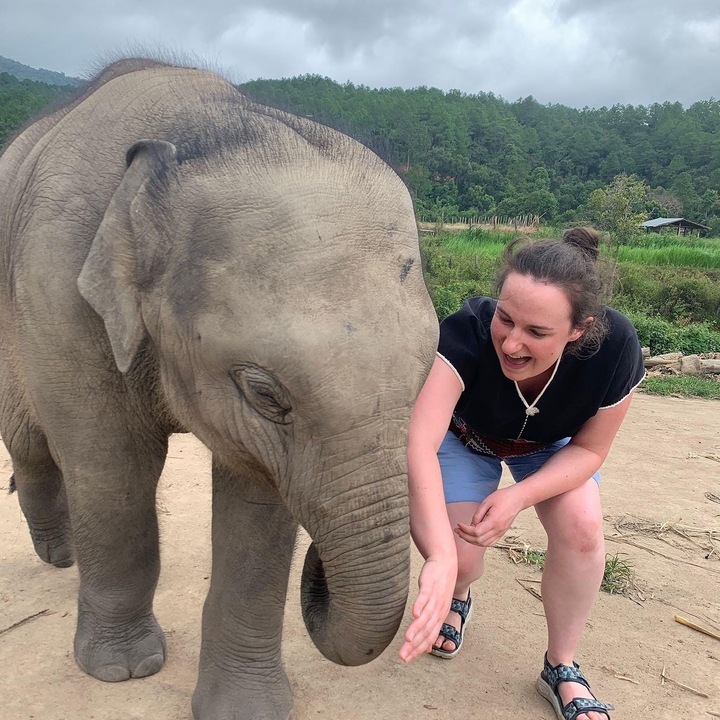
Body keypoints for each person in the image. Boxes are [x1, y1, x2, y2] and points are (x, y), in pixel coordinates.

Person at [398, 228, 645, 720]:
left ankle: (561, 666)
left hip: (550, 447)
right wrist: (443, 558)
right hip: (464, 438)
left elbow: (591, 450)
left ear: (579, 329)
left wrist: (517, 498)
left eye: (537, 332)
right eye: (505, 319)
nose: (511, 342)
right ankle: (461, 594)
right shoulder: (465, 331)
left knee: (581, 526)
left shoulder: (614, 347)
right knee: (462, 560)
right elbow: (420, 442)